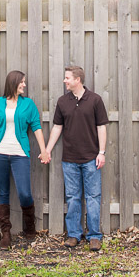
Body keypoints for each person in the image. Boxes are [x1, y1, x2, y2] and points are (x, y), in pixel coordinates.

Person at [0, 70, 46, 249]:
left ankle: (30, 227)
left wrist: (44, 150)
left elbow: (36, 127)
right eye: (21, 82)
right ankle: (6, 234)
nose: (24, 85)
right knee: (2, 192)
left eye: (24, 82)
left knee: (24, 193)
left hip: (20, 154)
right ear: (13, 83)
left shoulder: (28, 104)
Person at [41, 65, 109, 251]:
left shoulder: (95, 100)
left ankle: (94, 236)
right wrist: (47, 150)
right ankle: (73, 235)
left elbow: (101, 127)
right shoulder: (63, 102)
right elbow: (57, 127)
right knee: (72, 197)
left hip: (91, 159)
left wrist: (101, 152)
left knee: (93, 197)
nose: (65, 81)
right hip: (69, 159)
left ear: (77, 79)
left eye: (67, 78)